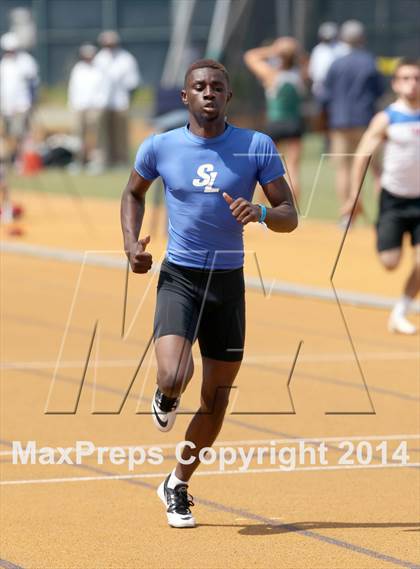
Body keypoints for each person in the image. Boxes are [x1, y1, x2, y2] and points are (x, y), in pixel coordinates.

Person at [120, 59, 298, 527]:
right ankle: (165, 392)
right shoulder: (160, 146)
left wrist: (259, 213)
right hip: (180, 276)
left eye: (217, 86)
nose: (208, 92)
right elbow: (133, 193)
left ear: (229, 97)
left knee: (216, 398)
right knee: (175, 373)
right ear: (185, 97)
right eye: (199, 86)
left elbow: (289, 214)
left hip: (227, 283)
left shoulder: (255, 146)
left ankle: (177, 482)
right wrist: (130, 246)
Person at [342, 58, 420, 334]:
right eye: (407, 78)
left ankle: (400, 311)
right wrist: (354, 196)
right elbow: (362, 155)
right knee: (390, 263)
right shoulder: (387, 118)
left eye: (417, 78)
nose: (412, 84)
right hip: (394, 199)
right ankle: (384, 234)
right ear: (396, 84)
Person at [321, 20, 385, 225]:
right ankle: (385, 215)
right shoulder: (370, 61)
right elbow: (380, 91)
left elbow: (325, 94)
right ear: (362, 38)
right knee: (376, 169)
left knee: (344, 169)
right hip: (366, 122)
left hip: (340, 122)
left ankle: (348, 216)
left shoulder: (336, 63)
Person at [244, 37, 306, 202]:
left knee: (265, 167)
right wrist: (291, 50)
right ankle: (294, 208)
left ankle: (259, 205)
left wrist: (273, 49)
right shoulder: (300, 74)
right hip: (294, 123)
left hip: (275, 124)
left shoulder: (271, 74)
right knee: (293, 167)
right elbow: (303, 59)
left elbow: (250, 56)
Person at [94, 30, 141, 167]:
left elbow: (133, 82)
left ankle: (121, 160)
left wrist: (129, 101)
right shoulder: (99, 58)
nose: (109, 47)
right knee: (103, 134)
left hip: (121, 102)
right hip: (102, 102)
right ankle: (104, 160)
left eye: (111, 44)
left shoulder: (126, 59)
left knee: (121, 135)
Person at [0, 32, 39, 166]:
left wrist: (32, 102)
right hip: (6, 106)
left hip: (22, 104)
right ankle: (11, 159)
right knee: (8, 134)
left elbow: (33, 84)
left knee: (19, 133)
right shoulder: (4, 63)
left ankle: (20, 160)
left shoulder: (26, 61)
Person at [68, 44, 106, 171]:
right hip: (79, 106)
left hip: (94, 107)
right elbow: (72, 88)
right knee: (78, 135)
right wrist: (72, 104)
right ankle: (79, 161)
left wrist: (99, 105)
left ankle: (96, 161)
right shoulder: (78, 69)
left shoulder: (99, 70)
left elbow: (103, 89)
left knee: (95, 135)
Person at [308, 22, 348, 99]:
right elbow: (313, 71)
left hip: (338, 87)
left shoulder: (342, 48)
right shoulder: (318, 49)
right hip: (320, 87)